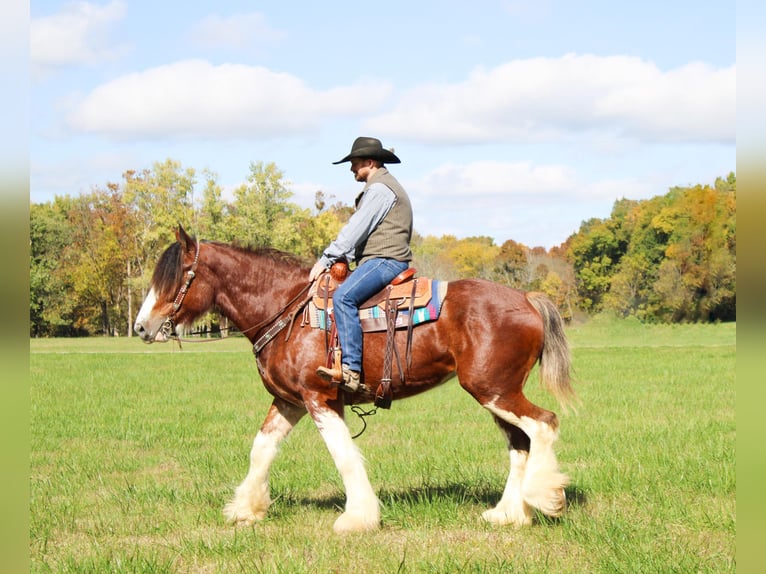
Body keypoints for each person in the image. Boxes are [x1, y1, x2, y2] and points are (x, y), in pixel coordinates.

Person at [309, 136, 413, 393]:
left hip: (386, 260)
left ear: (370, 162)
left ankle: (351, 371)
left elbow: (356, 229)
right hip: (379, 258)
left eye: (355, 163)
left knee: (343, 296)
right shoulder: (382, 186)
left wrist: (327, 259)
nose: (351, 169)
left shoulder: (380, 190)